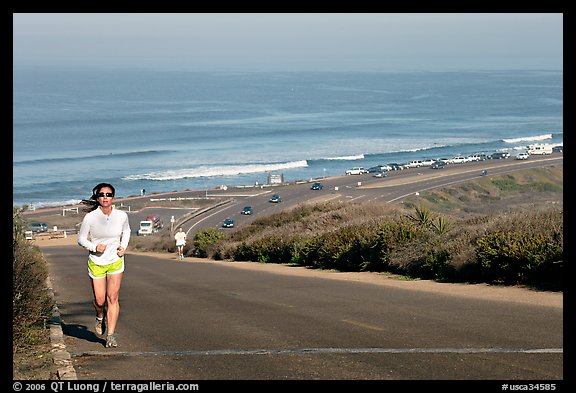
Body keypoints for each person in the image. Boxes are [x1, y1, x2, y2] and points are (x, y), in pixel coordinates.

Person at [78, 183, 131, 348]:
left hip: (115, 260)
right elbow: (81, 239)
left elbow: (127, 231)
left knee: (113, 298)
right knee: (100, 300)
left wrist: (123, 246)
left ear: (113, 197)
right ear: (97, 197)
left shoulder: (121, 216)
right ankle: (99, 316)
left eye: (108, 194)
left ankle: (111, 335)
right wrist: (94, 247)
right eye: (101, 195)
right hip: (97, 262)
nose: (105, 197)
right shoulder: (90, 218)